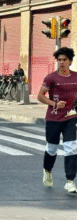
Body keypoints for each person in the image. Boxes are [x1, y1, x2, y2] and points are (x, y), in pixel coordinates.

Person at [38, 47, 77, 193]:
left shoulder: (75, 77)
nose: (61, 62)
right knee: (52, 148)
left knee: (71, 147)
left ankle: (70, 180)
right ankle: (47, 171)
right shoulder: (51, 78)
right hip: (53, 118)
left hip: (70, 118)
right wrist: (54, 104)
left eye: (64, 60)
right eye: (59, 60)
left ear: (70, 61)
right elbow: (40, 96)